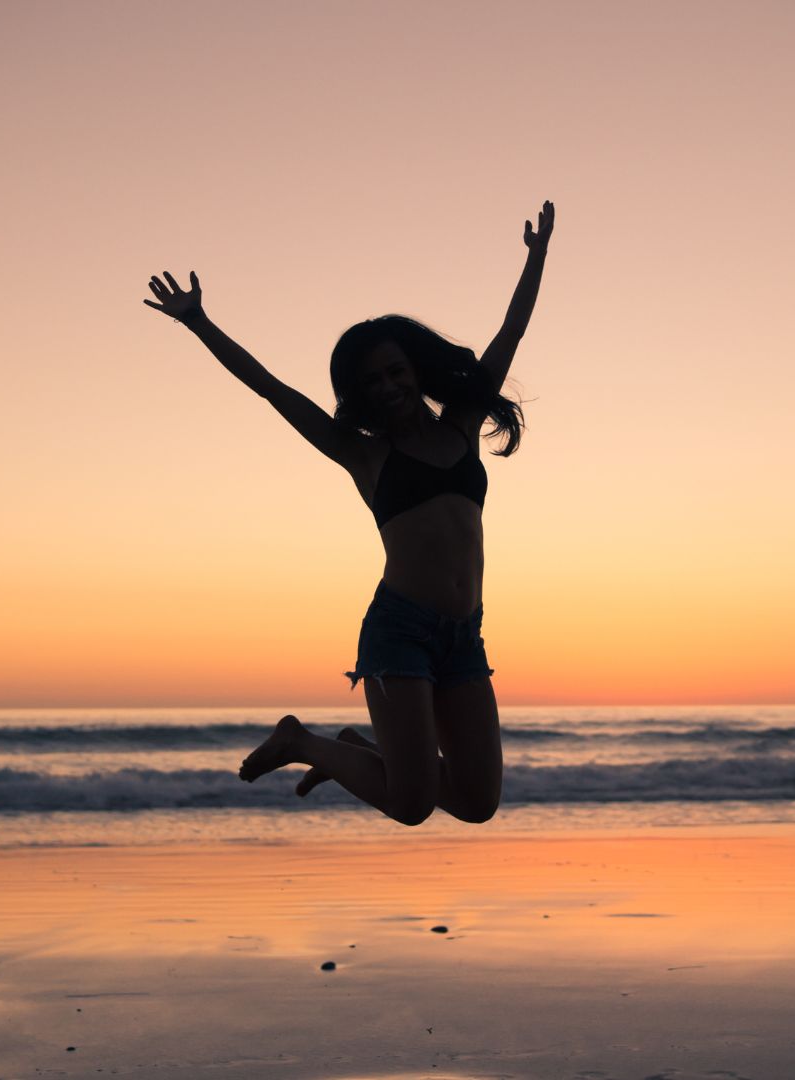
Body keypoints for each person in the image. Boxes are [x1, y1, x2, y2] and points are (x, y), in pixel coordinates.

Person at [142, 200, 553, 825]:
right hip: (400, 631)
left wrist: (537, 257)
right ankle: (303, 740)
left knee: (477, 804)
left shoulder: (462, 427)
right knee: (413, 806)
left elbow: (511, 334)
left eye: (395, 371)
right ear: (358, 396)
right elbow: (270, 388)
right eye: (372, 383)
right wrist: (200, 323)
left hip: (463, 635)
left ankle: (355, 752)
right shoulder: (363, 455)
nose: (387, 386)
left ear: (414, 371)